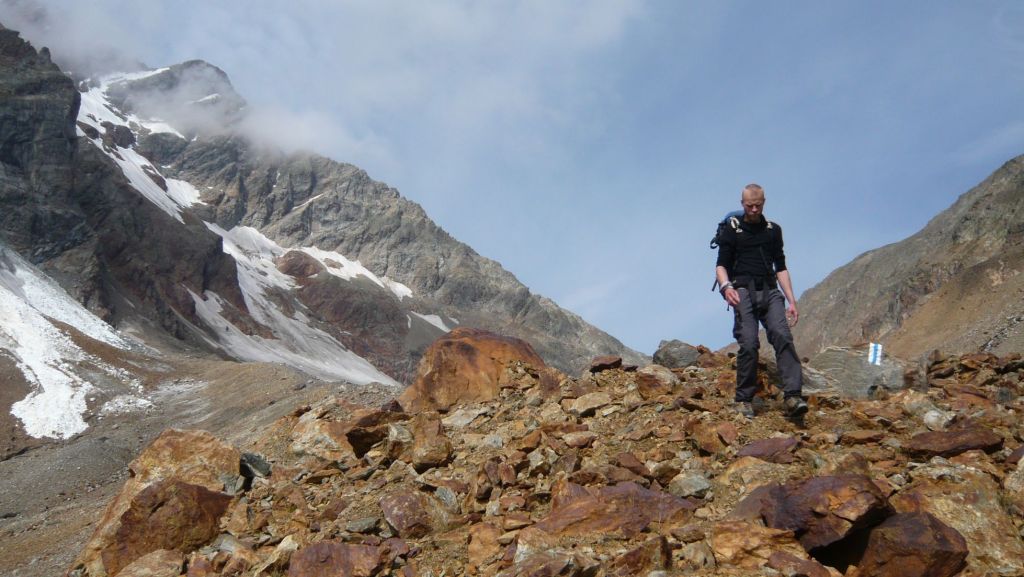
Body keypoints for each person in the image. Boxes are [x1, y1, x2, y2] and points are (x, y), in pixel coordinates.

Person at [715, 183, 808, 419]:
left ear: (764, 203)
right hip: (742, 290)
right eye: (749, 206)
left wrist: (792, 301)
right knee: (748, 341)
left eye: (757, 205)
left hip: (770, 290)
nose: (754, 210)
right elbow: (721, 265)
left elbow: (781, 266)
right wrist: (726, 287)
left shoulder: (773, 231)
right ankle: (744, 399)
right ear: (742, 204)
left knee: (782, 334)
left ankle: (793, 396)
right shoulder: (732, 231)